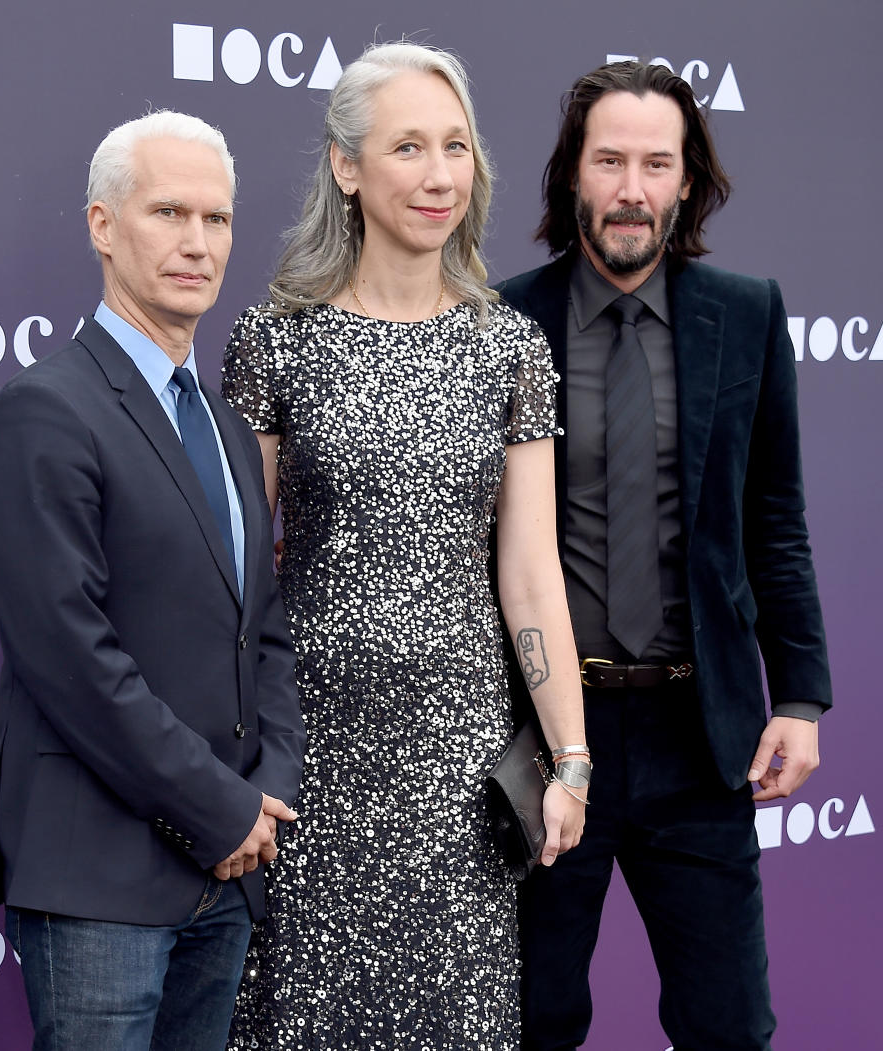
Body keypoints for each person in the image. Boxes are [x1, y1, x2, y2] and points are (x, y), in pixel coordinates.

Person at [221, 42, 586, 1049]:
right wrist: (229, 760)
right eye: (409, 147)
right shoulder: (275, 339)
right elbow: (235, 577)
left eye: (457, 147)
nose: (439, 175)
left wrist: (572, 754)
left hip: (461, 767)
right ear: (347, 166)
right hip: (309, 754)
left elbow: (528, 569)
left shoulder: (510, 348)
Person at [498, 61, 832, 1051]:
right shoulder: (503, 320)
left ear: (688, 182)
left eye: (656, 163)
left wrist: (803, 696)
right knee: (532, 1018)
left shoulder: (748, 312)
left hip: (701, 734)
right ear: (573, 178)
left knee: (728, 1022)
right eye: (609, 161)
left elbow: (776, 513)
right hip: (547, 733)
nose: (631, 188)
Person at [0, 111, 305, 1051]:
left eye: (219, 219)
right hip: (98, 882)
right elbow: (72, 658)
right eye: (167, 212)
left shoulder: (229, 426)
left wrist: (266, 793)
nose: (199, 243)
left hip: (229, 873)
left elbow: (261, 629)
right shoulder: (45, 411)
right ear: (102, 226)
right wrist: (221, 806)